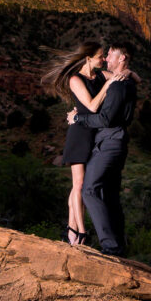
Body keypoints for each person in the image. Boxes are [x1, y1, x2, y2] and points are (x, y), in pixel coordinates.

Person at [40, 42, 126, 246]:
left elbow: (130, 74)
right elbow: (92, 106)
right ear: (88, 58)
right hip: (79, 134)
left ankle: (71, 230)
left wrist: (126, 75)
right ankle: (80, 233)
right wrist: (109, 84)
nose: (103, 59)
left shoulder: (99, 76)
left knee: (81, 186)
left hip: (94, 134)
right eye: (99, 56)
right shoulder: (75, 79)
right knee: (79, 185)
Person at [72, 41, 138, 255]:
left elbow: (105, 118)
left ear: (122, 59)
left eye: (110, 55)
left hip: (109, 142)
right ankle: (118, 246)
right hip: (117, 141)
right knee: (109, 194)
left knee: (90, 190)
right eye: (105, 55)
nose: (106, 59)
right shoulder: (126, 82)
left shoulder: (118, 85)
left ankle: (110, 247)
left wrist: (77, 118)